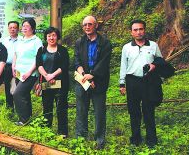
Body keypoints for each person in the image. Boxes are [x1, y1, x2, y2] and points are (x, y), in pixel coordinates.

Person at [119, 19, 163, 148]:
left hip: (148, 82)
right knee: (134, 111)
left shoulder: (153, 45)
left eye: (141, 29)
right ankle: (136, 139)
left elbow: (160, 61)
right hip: (132, 81)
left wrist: (154, 65)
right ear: (131, 32)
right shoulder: (126, 47)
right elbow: (123, 65)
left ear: (144, 30)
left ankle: (151, 140)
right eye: (135, 30)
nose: (138, 32)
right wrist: (122, 83)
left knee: (149, 111)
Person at [74, 15, 112, 150]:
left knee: (99, 112)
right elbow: (77, 60)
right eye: (85, 25)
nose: (87, 27)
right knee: (81, 110)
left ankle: (99, 140)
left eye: (90, 24)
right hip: (82, 81)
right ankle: (80, 138)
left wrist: (93, 75)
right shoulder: (80, 42)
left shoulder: (105, 43)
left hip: (99, 82)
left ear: (96, 25)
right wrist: (84, 75)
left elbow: (104, 63)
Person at [36, 27, 69, 136]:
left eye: (54, 35)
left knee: (61, 108)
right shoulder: (41, 50)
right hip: (47, 83)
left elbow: (64, 66)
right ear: (46, 37)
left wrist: (53, 75)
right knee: (47, 107)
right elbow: (39, 65)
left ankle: (62, 133)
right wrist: (47, 76)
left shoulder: (62, 50)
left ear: (57, 37)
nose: (51, 37)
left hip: (60, 83)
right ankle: (46, 130)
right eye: (49, 35)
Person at [12, 18, 43, 125]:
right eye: (23, 25)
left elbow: (38, 59)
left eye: (27, 26)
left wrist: (29, 72)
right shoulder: (20, 40)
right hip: (19, 72)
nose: (24, 28)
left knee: (18, 94)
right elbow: (16, 54)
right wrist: (13, 66)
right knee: (25, 95)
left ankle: (23, 120)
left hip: (30, 73)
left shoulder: (36, 41)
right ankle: (27, 118)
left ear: (33, 28)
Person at [0, 21, 20, 110]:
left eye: (14, 27)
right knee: (8, 88)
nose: (12, 29)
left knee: (18, 88)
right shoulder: (4, 41)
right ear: (8, 29)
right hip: (7, 67)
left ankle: (19, 109)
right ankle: (10, 109)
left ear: (18, 29)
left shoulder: (22, 40)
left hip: (18, 68)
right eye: (10, 28)